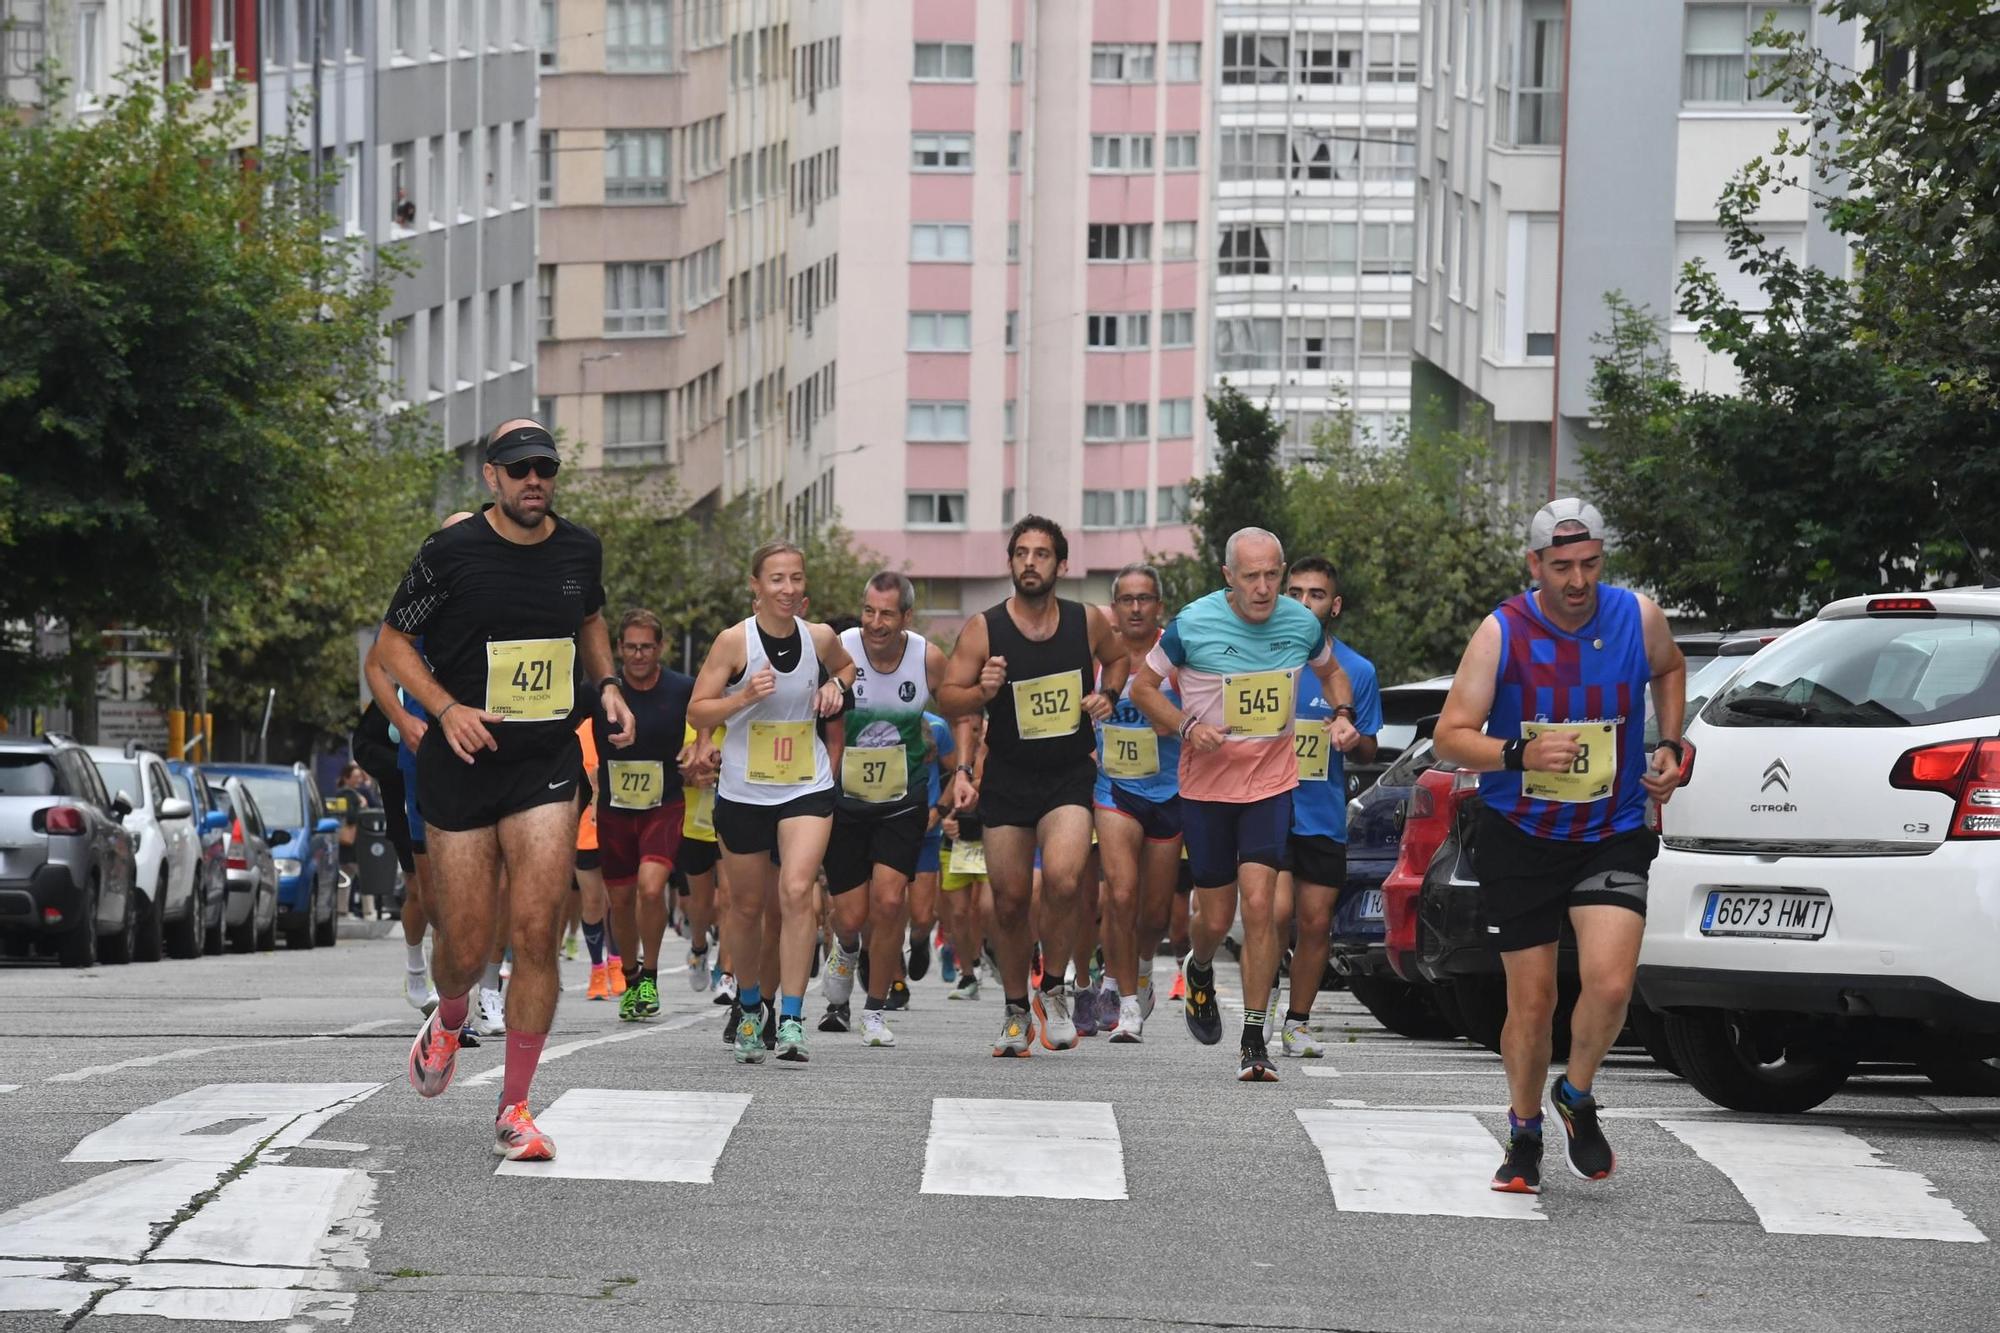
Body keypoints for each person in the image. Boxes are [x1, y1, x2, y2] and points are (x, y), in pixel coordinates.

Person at [381, 420, 634, 1163]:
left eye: (545, 468)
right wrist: (446, 708)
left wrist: (608, 683)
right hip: (462, 765)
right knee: (461, 946)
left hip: (545, 763)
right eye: (520, 468)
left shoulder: (579, 549)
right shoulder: (452, 552)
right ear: (491, 476)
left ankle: (515, 1106)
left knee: (533, 930)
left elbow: (590, 617)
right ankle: (452, 1011)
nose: (534, 480)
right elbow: (392, 644)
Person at [1432, 499, 1685, 1194]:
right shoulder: (1501, 631)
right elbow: (1450, 735)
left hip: (1612, 828)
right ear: (1534, 563)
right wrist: (1520, 750)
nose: (1578, 580)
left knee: (1609, 982)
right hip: (1522, 833)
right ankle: (1522, 1130)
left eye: (1591, 564)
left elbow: (1669, 668)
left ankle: (1575, 1093)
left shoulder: (1637, 616)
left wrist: (1670, 742)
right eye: (1563, 566)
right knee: (1534, 1001)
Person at [1129, 527, 1359, 1083]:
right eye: (1251, 576)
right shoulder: (1192, 624)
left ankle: (1254, 1039)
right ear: (1228, 576)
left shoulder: (1301, 624)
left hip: (1270, 784)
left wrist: (1343, 713)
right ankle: (1200, 964)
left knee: (1260, 907)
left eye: (1272, 576)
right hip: (1207, 789)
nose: (1263, 588)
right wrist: (1186, 726)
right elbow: (1143, 689)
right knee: (1212, 917)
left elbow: (1330, 672)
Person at [938, 516, 1130, 1056]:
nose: (1030, 562)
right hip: (1009, 778)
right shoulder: (985, 628)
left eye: (1041, 554)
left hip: (1068, 773)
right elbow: (948, 698)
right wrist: (981, 688)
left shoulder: (1086, 621)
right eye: (1021, 553)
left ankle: (1055, 990)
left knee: (1066, 882)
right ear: (1010, 563)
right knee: (1009, 902)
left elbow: (1117, 660)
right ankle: (1016, 1009)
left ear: (1061, 565)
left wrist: (1108, 696)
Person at [688, 541, 855, 1064]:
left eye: (796, 579)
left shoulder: (820, 636)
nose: (788, 588)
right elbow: (698, 711)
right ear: (756, 587)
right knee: (746, 906)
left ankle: (791, 1019)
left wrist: (835, 689)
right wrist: (741, 698)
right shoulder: (732, 643)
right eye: (777, 579)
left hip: (805, 782)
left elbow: (847, 669)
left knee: (799, 890)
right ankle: (749, 1004)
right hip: (743, 787)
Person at [817, 573, 948, 1048]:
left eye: (887, 614)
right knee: (850, 916)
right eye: (869, 611)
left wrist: (966, 767)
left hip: (902, 800)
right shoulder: (837, 647)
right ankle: (846, 949)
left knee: (891, 902)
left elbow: (960, 709)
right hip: (845, 801)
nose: (875, 622)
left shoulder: (928, 657)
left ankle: (874, 1009)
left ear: (906, 617)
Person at [1273, 557, 1381, 1058]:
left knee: (1315, 922)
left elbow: (1368, 751)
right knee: (1273, 913)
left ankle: (1297, 1021)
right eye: (1293, 592)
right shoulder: (1264, 657)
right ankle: (1262, 1003)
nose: (1303, 602)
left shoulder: (1356, 671)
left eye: (1315, 594)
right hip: (1266, 806)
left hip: (1321, 812)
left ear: (1333, 606)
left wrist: (1351, 735)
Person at [1090, 563, 1185, 1044]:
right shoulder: (1097, 656)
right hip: (1114, 790)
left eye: (1144, 598)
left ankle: (1142, 969)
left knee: (1155, 913)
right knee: (1121, 895)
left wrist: (1173, 719)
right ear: (1113, 607)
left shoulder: (1177, 654)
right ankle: (1126, 1002)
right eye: (1125, 599)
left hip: (1169, 791)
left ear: (1158, 606)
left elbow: (1199, 710)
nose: (1134, 607)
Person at [594, 608, 696, 1022]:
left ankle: (649, 975)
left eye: (647, 647)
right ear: (619, 648)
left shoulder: (681, 688)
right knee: (620, 901)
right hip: (615, 812)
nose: (638, 655)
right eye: (631, 647)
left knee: (651, 890)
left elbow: (710, 717)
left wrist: (700, 745)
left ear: (661, 648)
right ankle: (631, 974)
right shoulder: (602, 691)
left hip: (663, 806)